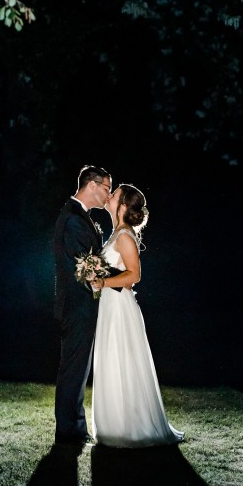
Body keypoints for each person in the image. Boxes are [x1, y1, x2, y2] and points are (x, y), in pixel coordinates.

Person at [91, 182, 184, 447]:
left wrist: (102, 282)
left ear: (121, 206)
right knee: (110, 360)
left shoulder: (125, 237)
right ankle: (112, 425)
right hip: (110, 307)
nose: (109, 196)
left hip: (120, 309)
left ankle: (131, 427)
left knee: (122, 361)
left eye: (115, 194)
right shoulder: (115, 234)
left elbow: (134, 275)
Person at [52, 164, 121, 446]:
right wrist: (123, 279)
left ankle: (75, 428)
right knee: (74, 367)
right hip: (77, 306)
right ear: (92, 185)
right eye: (107, 188)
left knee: (79, 368)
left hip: (83, 305)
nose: (108, 195)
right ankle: (69, 431)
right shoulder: (73, 219)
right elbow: (86, 266)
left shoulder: (81, 216)